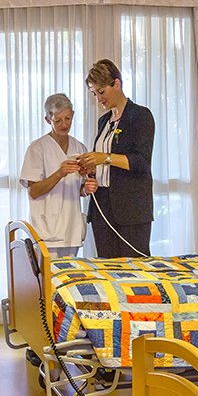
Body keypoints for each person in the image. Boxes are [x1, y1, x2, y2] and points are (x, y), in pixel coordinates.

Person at [75, 59, 155, 258]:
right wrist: (90, 170)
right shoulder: (104, 121)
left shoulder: (140, 116)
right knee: (107, 269)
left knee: (134, 270)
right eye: (94, 94)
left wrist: (104, 158)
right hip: (102, 208)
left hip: (131, 210)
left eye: (101, 92)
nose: (98, 99)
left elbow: (141, 163)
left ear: (117, 84)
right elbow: (105, 165)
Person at [18, 93, 89, 257]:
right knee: (47, 273)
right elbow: (33, 191)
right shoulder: (37, 148)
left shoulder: (79, 148)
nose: (64, 124)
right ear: (48, 120)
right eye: (58, 121)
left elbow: (78, 189)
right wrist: (59, 173)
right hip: (47, 230)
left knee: (71, 272)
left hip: (72, 229)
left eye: (68, 118)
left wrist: (87, 189)